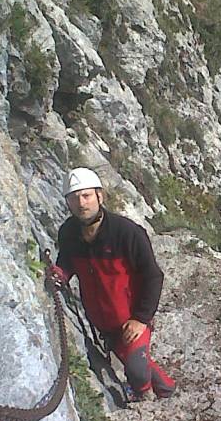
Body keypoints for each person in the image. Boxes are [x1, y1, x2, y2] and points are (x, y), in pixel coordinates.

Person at [48, 167, 176, 402]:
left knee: (136, 369)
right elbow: (67, 262)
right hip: (103, 321)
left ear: (100, 196)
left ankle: (144, 398)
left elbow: (153, 276)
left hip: (131, 318)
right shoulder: (68, 233)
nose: (81, 203)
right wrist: (60, 274)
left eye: (86, 196)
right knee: (134, 360)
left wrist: (140, 319)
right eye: (74, 198)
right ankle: (167, 391)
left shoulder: (127, 233)